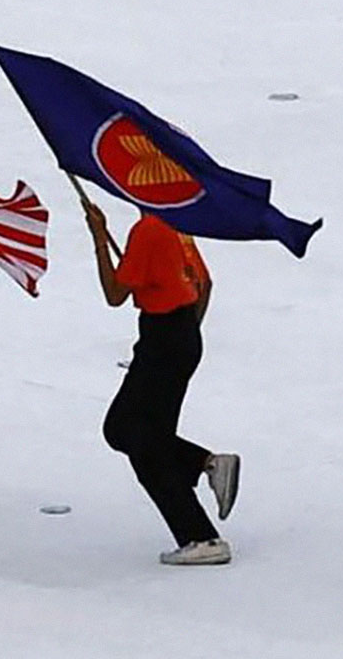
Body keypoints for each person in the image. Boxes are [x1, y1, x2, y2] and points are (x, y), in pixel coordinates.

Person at [83, 201, 240, 565]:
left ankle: (201, 531)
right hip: (180, 334)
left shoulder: (148, 229)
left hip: (162, 339)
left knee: (134, 435)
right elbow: (205, 284)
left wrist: (98, 237)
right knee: (131, 432)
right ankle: (206, 472)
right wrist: (186, 333)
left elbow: (114, 293)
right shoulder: (175, 224)